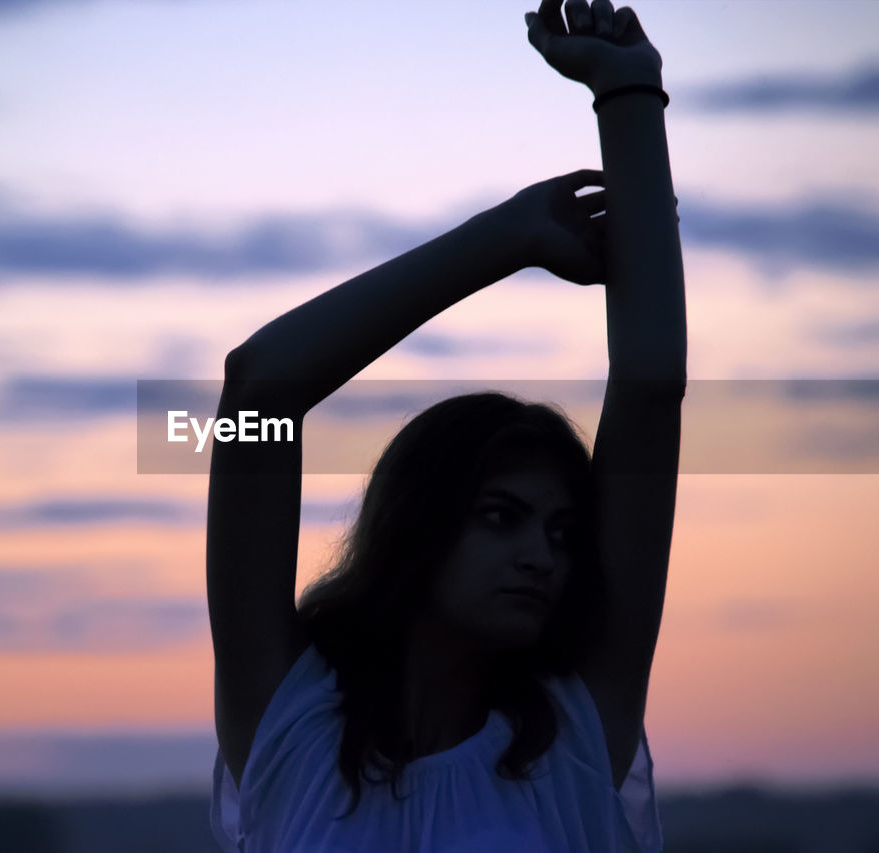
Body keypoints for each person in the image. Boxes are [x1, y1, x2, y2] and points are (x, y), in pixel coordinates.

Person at [207, 0, 685, 849]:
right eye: (501, 516)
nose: (542, 554)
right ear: (416, 522)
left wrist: (629, 93)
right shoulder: (291, 726)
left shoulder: (579, 738)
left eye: (565, 532)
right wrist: (510, 235)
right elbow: (260, 393)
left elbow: (649, 393)